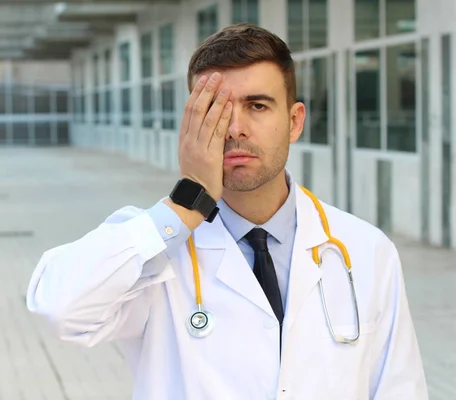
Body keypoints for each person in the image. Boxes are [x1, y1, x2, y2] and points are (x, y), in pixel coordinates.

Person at [26, 24, 428, 399]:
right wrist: (185, 206)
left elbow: (400, 387)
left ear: (294, 121)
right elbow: (60, 309)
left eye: (257, 105)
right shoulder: (153, 247)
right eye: (215, 109)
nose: (234, 128)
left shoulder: (365, 250)